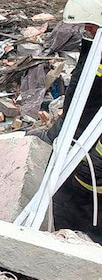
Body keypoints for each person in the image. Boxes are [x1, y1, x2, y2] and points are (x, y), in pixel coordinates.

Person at [49, 22, 102, 243]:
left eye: (91, 26)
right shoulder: (94, 49)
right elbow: (79, 92)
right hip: (77, 137)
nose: (86, 28)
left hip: (90, 156)